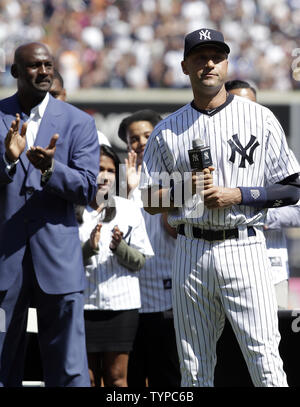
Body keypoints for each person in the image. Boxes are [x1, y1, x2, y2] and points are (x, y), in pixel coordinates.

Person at [139, 28, 300, 387]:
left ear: (226, 63)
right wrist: (186, 190)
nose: (209, 63)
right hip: (191, 247)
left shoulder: (260, 117)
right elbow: (148, 200)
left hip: (244, 245)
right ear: (185, 66)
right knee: (194, 367)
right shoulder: (167, 129)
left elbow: (292, 190)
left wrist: (238, 194)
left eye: (216, 56)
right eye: (199, 57)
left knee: (265, 361)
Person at [0, 42, 100, 387]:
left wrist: (50, 169)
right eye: (33, 66)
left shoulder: (78, 123)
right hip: (4, 263)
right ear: (15, 72)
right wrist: (9, 162)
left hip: (59, 262)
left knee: (69, 368)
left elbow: (90, 189)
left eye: (48, 65)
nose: (43, 71)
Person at [77, 144, 153, 387]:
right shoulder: (72, 209)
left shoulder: (129, 209)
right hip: (82, 306)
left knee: (117, 379)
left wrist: (119, 247)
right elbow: (61, 263)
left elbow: (140, 262)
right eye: (98, 168)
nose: (104, 175)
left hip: (121, 308)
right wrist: (89, 247)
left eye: (110, 170)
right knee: (86, 379)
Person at [118, 110, 181, 387]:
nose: (142, 142)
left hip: (167, 300)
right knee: (127, 379)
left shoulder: (177, 177)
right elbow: (107, 232)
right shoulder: (115, 177)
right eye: (134, 138)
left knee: (167, 378)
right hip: (127, 301)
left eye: (147, 135)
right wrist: (129, 191)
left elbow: (175, 230)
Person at [225, 79, 300, 309]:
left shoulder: (274, 150)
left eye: (252, 105)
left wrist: (259, 215)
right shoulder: (212, 151)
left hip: (270, 267)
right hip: (224, 266)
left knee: (273, 340)